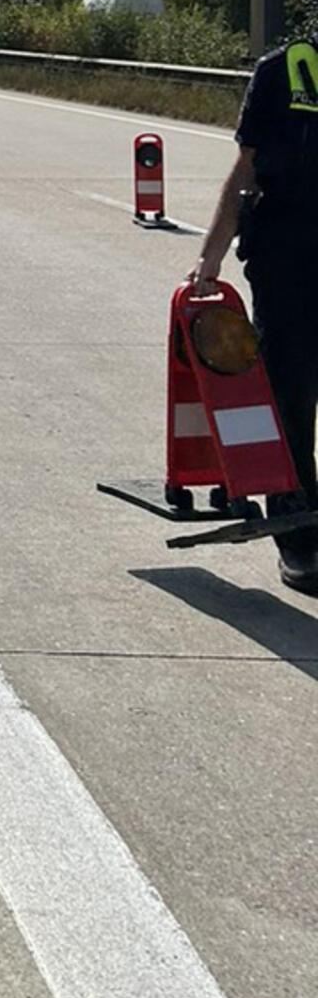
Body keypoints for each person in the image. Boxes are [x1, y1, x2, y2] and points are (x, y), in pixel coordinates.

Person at [189, 32, 318, 592]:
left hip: (290, 257)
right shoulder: (285, 71)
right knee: (291, 398)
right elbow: (246, 171)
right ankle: (301, 536)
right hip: (289, 261)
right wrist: (209, 261)